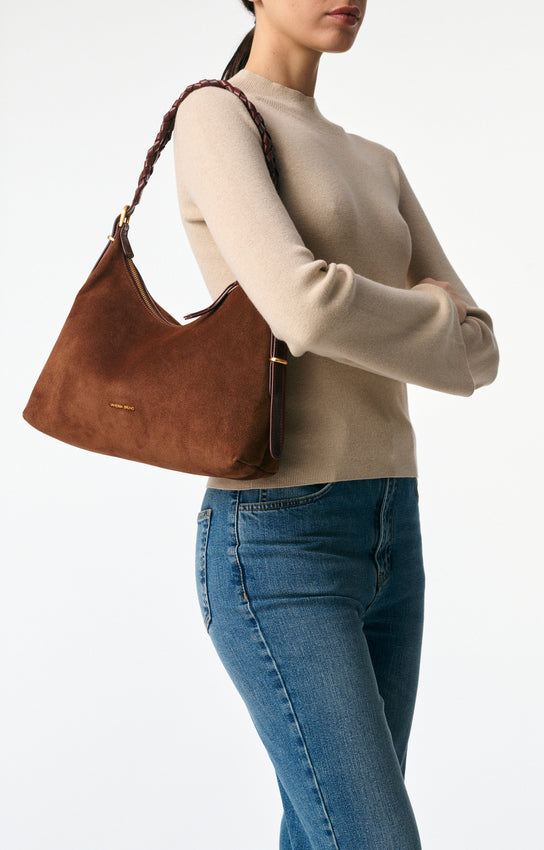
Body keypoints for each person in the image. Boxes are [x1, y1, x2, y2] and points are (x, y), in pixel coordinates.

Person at [172, 2, 500, 848]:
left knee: (322, 831)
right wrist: (433, 314)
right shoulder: (215, 114)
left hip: (393, 523)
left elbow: (482, 353)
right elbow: (302, 309)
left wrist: (424, 325)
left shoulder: (376, 161)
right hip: (279, 538)